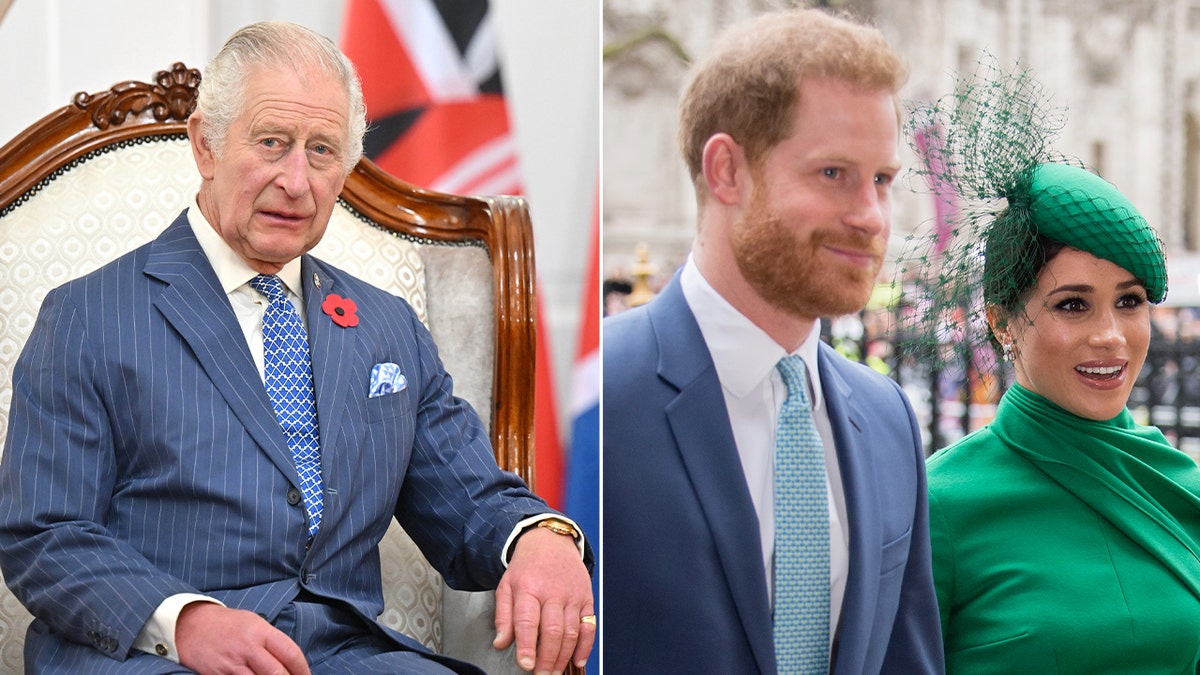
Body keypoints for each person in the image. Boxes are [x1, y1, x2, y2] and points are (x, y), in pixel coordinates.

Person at [0, 21, 593, 675]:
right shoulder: (88, 315)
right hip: (157, 655)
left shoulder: (386, 324)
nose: (297, 180)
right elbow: (45, 533)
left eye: (322, 151)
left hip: (342, 656)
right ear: (205, 144)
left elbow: (470, 498)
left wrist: (542, 536)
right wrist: (184, 618)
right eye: (272, 142)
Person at [602, 8, 943, 674]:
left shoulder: (888, 418)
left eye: (882, 180)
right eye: (833, 174)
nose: (871, 217)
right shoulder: (599, 395)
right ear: (727, 170)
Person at [903, 58, 1200, 672]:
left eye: (1130, 302)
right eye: (1073, 305)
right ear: (1002, 320)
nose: (1111, 336)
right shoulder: (940, 505)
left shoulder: (1180, 481)